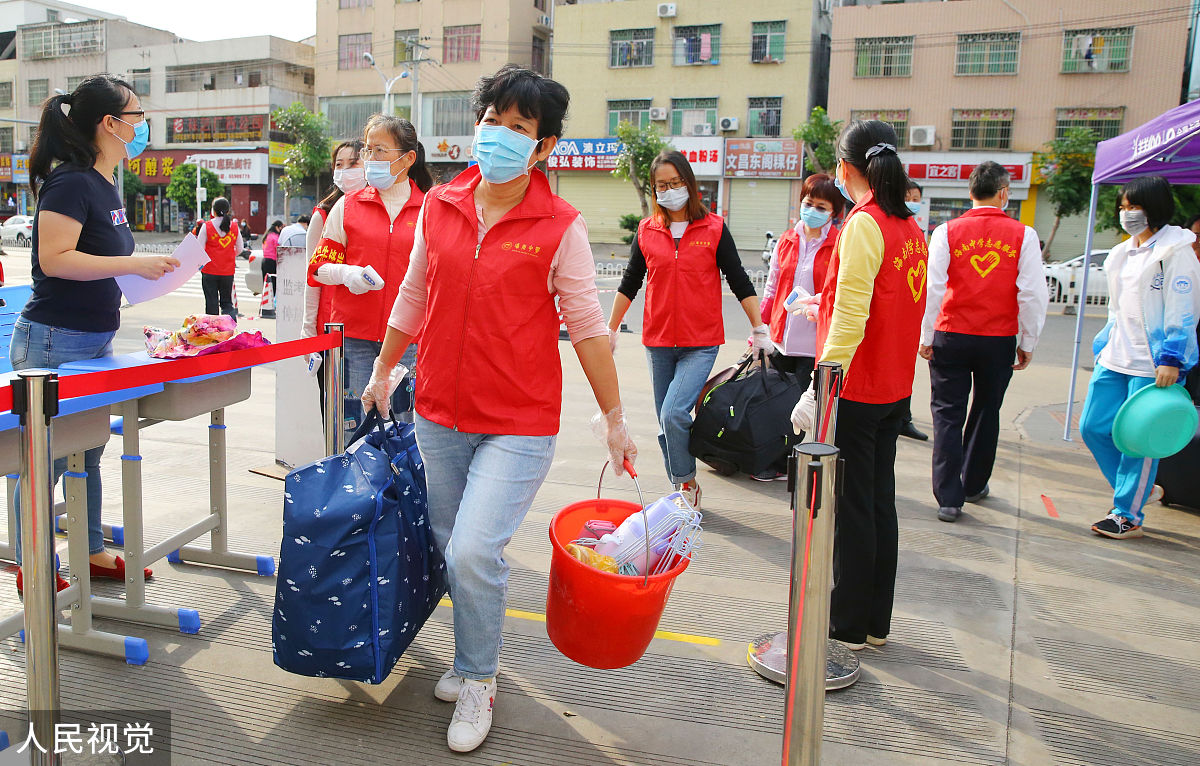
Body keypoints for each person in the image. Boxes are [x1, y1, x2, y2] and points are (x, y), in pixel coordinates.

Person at [361, 64, 636, 753]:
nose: (499, 136)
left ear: (544, 148)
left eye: (518, 129)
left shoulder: (559, 226)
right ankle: (466, 659)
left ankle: (480, 680)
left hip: (518, 421)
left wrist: (614, 417)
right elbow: (413, 296)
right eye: (492, 121)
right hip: (439, 415)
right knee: (452, 551)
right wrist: (385, 368)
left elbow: (589, 327)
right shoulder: (440, 204)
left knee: (478, 551)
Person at [10, 74, 178, 593]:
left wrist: (143, 272)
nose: (143, 124)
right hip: (54, 339)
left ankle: (89, 550)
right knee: (47, 459)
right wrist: (131, 262)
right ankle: (31, 564)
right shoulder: (72, 181)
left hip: (89, 338)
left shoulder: (103, 185)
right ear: (111, 124)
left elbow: (99, 261)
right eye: (137, 115)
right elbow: (54, 259)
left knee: (89, 449)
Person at [790, 120, 929, 650]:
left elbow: (852, 316)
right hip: (893, 385)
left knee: (852, 510)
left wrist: (818, 385)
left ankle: (847, 624)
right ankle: (874, 621)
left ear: (846, 169)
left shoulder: (865, 224)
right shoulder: (908, 225)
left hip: (860, 387)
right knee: (878, 504)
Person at [607, 149, 766, 507]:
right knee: (667, 424)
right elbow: (630, 281)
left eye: (676, 182)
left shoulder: (714, 228)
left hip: (701, 342)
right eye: (661, 185)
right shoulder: (647, 231)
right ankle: (682, 486)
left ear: (689, 184)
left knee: (673, 413)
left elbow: (739, 278)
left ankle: (686, 483)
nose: (669, 190)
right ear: (654, 190)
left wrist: (760, 329)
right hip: (659, 342)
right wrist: (611, 327)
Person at [918, 161, 1049, 522]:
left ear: (971, 192)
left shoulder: (946, 231)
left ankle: (948, 497)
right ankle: (974, 484)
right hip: (997, 337)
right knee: (987, 409)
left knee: (946, 412)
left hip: (951, 333)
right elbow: (1032, 294)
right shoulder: (1023, 235)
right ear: (1004, 192)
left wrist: (926, 335)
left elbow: (934, 288)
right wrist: (1028, 341)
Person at [1080, 176, 1200, 539]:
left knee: (1138, 441)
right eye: (1123, 207)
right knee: (1093, 427)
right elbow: (1118, 309)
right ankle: (1139, 489)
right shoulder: (1122, 253)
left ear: (1155, 207)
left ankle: (1127, 513)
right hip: (1115, 357)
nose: (1127, 214)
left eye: (1134, 207)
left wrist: (1172, 357)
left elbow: (1183, 309)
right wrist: (1103, 347)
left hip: (1153, 365)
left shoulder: (1175, 252)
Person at [309, 115, 432, 438]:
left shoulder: (430, 211)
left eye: (380, 151)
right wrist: (347, 273)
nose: (370, 159)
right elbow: (317, 267)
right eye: (367, 150)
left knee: (404, 429)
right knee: (353, 428)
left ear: (407, 159)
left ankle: (399, 489)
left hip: (409, 340)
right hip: (353, 339)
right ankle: (355, 489)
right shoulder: (348, 206)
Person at [755, 172, 843, 480]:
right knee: (777, 404)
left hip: (814, 343)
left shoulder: (839, 244)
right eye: (809, 203)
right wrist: (762, 327)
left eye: (822, 206)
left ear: (835, 212)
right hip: (782, 337)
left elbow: (839, 292)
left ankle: (802, 465)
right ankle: (777, 461)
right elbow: (773, 283)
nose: (813, 210)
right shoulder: (787, 239)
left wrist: (816, 303)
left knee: (805, 410)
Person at [304, 140, 364, 411]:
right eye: (339, 165)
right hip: (330, 326)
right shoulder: (324, 214)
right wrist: (307, 331)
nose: (345, 171)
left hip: (365, 327)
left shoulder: (381, 210)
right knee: (335, 411)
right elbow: (313, 276)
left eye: (353, 163)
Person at [898, 180, 930, 442]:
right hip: (895, 309)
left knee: (905, 367)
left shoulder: (919, 231)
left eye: (916, 197)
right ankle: (899, 416)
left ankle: (903, 417)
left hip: (912, 311)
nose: (912, 200)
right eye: (907, 196)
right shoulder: (894, 228)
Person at [196, 197, 242, 318]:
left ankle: (213, 332)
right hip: (227, 271)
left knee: (211, 302)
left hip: (209, 271)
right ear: (228, 211)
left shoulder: (207, 226)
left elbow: (199, 248)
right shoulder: (234, 227)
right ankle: (230, 329)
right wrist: (229, 255)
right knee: (227, 303)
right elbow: (240, 248)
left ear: (213, 210)